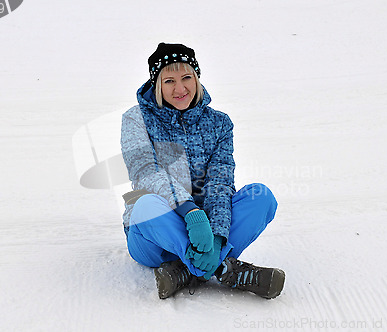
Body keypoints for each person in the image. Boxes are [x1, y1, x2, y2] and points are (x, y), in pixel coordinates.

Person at [120, 42, 285, 299]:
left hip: (209, 233)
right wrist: (189, 211)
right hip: (155, 235)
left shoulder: (219, 123)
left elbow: (220, 182)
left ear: (197, 78)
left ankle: (187, 270)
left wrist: (218, 235)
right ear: (156, 84)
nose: (180, 88)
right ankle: (222, 269)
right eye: (169, 81)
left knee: (261, 196)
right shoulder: (136, 119)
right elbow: (145, 172)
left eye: (187, 77)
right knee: (144, 205)